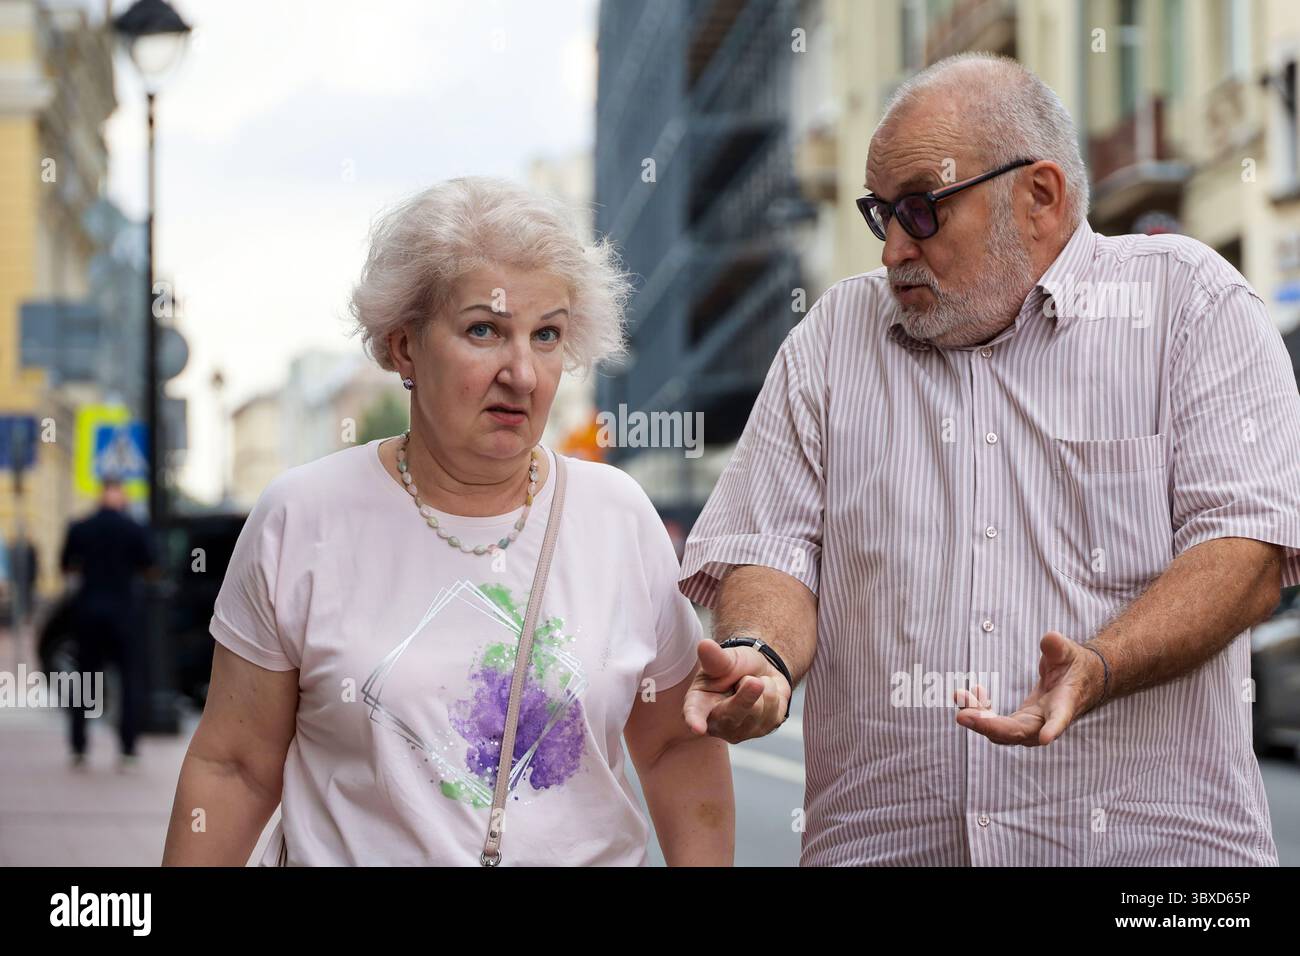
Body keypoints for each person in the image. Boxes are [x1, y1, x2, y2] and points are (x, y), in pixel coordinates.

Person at [678, 53, 1300, 866]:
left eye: (921, 210)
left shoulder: (1188, 305)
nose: (894, 249)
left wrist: (1102, 665)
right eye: (881, 215)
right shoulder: (832, 342)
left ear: (1037, 197)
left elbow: (1247, 547)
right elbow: (773, 554)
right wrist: (760, 658)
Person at [163, 177, 733, 866]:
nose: (521, 373)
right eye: (484, 331)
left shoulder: (617, 516)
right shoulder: (304, 517)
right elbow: (234, 766)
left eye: (546, 334)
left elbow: (674, 746)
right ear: (403, 347)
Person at [59, 476, 157, 770]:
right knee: (129, 680)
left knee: (85, 679)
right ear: (121, 495)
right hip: (124, 615)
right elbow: (152, 566)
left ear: (101, 495)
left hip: (88, 613)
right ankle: (127, 748)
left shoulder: (80, 527)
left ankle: (78, 746)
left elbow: (65, 565)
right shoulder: (134, 529)